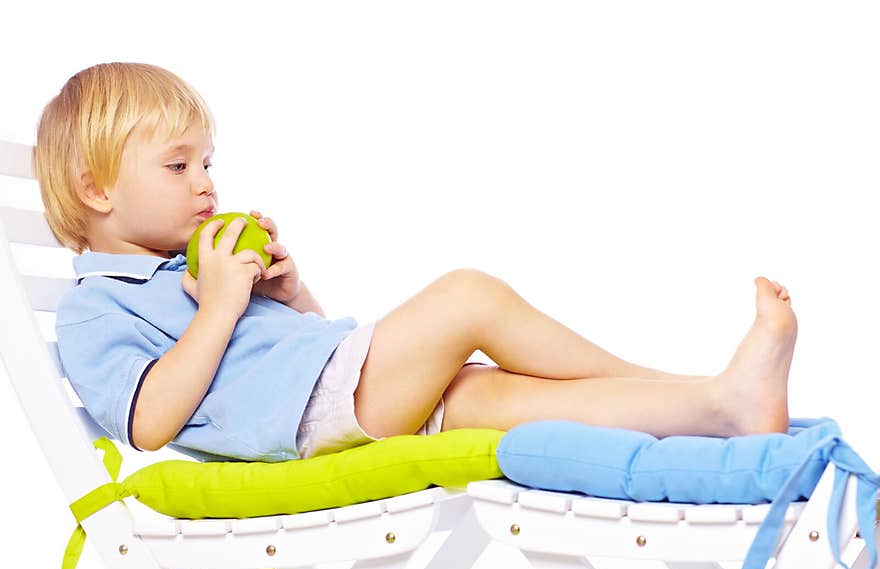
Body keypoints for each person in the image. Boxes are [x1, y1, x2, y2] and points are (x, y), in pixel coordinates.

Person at [35, 62, 798, 463]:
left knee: (498, 401)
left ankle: (720, 407)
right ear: (95, 186)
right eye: (178, 167)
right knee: (468, 295)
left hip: (331, 400)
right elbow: (149, 422)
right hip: (308, 420)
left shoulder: (193, 268)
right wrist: (221, 306)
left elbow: (301, 350)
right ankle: (684, 383)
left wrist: (291, 294)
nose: (206, 182)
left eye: (208, 162)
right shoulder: (95, 309)